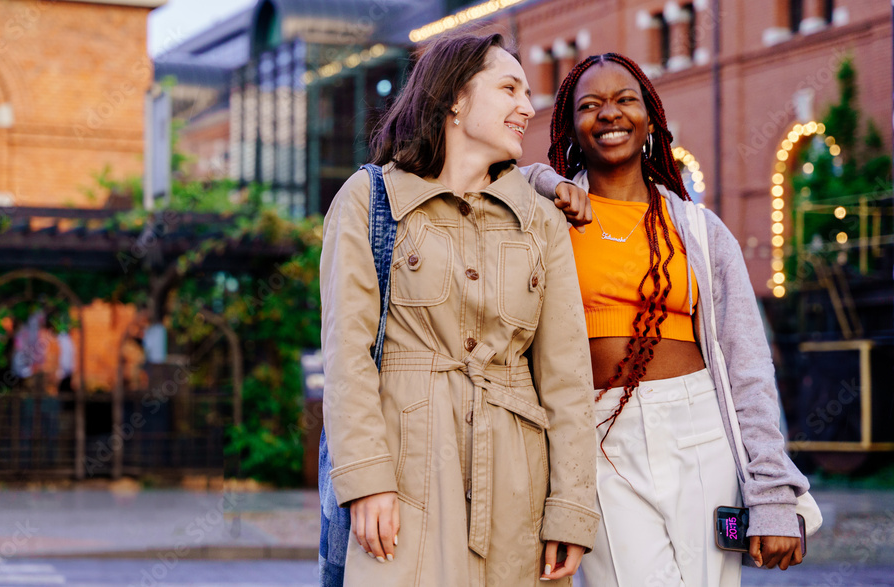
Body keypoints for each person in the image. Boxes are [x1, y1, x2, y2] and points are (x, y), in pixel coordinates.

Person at [319, 32, 599, 586]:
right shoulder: (370, 201)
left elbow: (567, 377)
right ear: (455, 98)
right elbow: (347, 354)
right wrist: (368, 479)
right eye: (509, 88)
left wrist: (570, 508)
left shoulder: (541, 220)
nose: (527, 106)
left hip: (519, 482)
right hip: (405, 474)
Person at [521, 52, 811, 586]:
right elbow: (485, 187)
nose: (609, 114)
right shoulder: (545, 218)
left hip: (699, 427)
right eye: (591, 105)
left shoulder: (697, 228)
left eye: (625, 100)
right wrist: (540, 180)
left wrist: (771, 494)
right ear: (568, 126)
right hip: (598, 439)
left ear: (650, 120)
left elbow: (746, 365)